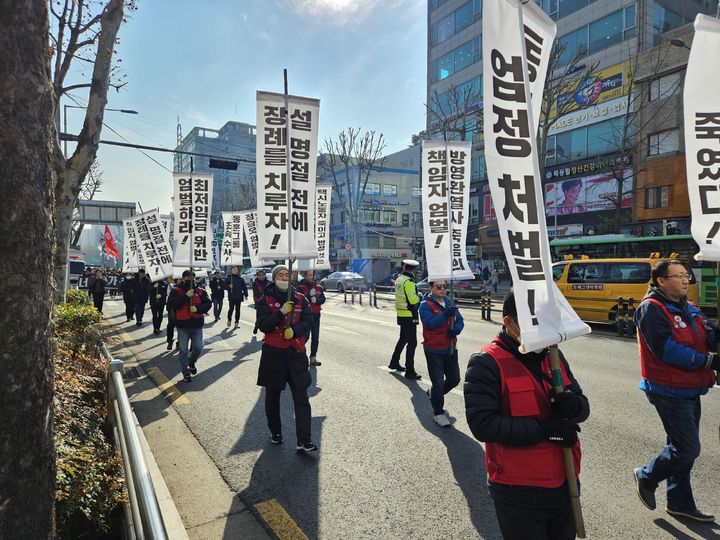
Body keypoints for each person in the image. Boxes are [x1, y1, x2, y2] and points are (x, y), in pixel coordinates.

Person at [464, 291, 590, 540]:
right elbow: (483, 425)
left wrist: (572, 405)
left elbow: (583, 406)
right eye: (533, 323)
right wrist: (545, 431)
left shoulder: (553, 356)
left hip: (564, 480)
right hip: (518, 489)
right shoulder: (486, 362)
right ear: (509, 323)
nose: (542, 331)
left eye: (545, 323)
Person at [632, 260, 719, 522]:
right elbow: (665, 350)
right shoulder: (651, 309)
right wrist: (708, 361)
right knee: (687, 448)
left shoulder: (689, 306)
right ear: (661, 281)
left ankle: (680, 502)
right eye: (679, 276)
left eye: (686, 276)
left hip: (691, 387)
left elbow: (707, 335)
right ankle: (646, 475)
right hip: (667, 388)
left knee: (680, 447)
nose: (686, 280)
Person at [256, 264, 317, 452]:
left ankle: (304, 440)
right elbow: (263, 325)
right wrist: (280, 313)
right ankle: (275, 432)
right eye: (279, 274)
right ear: (274, 278)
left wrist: (295, 330)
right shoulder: (266, 299)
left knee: (301, 397)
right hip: (273, 355)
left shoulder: (300, 298)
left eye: (286, 274)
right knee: (272, 397)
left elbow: (309, 321)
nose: (283, 277)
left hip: (295, 355)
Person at [419, 279, 464, 427]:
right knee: (438, 383)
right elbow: (429, 324)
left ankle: (434, 394)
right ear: (430, 287)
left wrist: (455, 330)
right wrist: (445, 315)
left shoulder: (448, 301)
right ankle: (438, 413)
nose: (443, 289)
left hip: (450, 348)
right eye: (439, 287)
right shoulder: (425, 305)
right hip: (433, 350)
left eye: (444, 286)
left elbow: (460, 320)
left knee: (454, 379)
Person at [167, 270, 212, 382]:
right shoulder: (176, 291)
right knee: (183, 350)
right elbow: (173, 305)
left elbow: (208, 303)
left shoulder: (200, 291)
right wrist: (186, 296)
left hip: (197, 324)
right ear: (183, 278)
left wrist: (198, 309)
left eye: (192, 277)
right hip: (183, 325)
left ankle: (191, 363)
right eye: (187, 277)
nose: (190, 279)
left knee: (198, 346)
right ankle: (186, 372)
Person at [388, 259, 422, 380]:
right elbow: (413, 300)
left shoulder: (399, 279)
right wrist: (420, 297)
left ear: (404, 267)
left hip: (401, 314)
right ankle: (410, 371)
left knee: (403, 339)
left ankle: (394, 362)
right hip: (409, 315)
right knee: (412, 343)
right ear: (414, 269)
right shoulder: (409, 282)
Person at [298, 270, 326, 366]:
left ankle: (313, 357)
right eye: (309, 275)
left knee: (315, 338)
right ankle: (299, 354)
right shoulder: (301, 287)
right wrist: (309, 297)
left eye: (312, 274)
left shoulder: (318, 287)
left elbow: (323, 298)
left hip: (316, 316)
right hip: (305, 316)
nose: (311, 276)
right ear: (305, 276)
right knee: (305, 337)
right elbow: (299, 298)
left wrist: (317, 300)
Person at [252, 269, 271, 335]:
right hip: (259, 302)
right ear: (257, 276)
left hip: (268, 302)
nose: (261, 276)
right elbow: (256, 293)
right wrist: (262, 297)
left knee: (268, 317)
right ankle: (256, 326)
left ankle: (267, 331)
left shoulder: (269, 282)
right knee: (259, 317)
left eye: (263, 275)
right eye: (259, 275)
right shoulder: (255, 283)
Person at [165, 277, 177, 350]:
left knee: (181, 327)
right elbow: (168, 295)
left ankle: (179, 343)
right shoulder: (170, 282)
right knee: (170, 326)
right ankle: (170, 341)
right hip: (172, 308)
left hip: (182, 308)